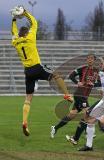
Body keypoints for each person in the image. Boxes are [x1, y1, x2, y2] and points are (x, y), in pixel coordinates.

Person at [10, 6, 73, 136]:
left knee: (28, 99)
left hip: (27, 71)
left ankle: (24, 122)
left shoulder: (15, 42)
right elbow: (34, 22)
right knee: (57, 75)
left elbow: (13, 32)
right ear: (26, 33)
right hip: (36, 68)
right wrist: (25, 13)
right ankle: (67, 94)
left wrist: (14, 19)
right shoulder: (30, 37)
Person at [51, 53, 99, 138]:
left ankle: (55, 128)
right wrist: (77, 82)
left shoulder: (96, 71)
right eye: (88, 58)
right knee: (88, 113)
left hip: (85, 96)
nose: (90, 60)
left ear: (94, 60)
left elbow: (100, 83)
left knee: (72, 115)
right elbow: (71, 75)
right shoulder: (83, 69)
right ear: (86, 60)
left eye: (91, 59)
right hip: (80, 94)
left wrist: (94, 84)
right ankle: (87, 132)